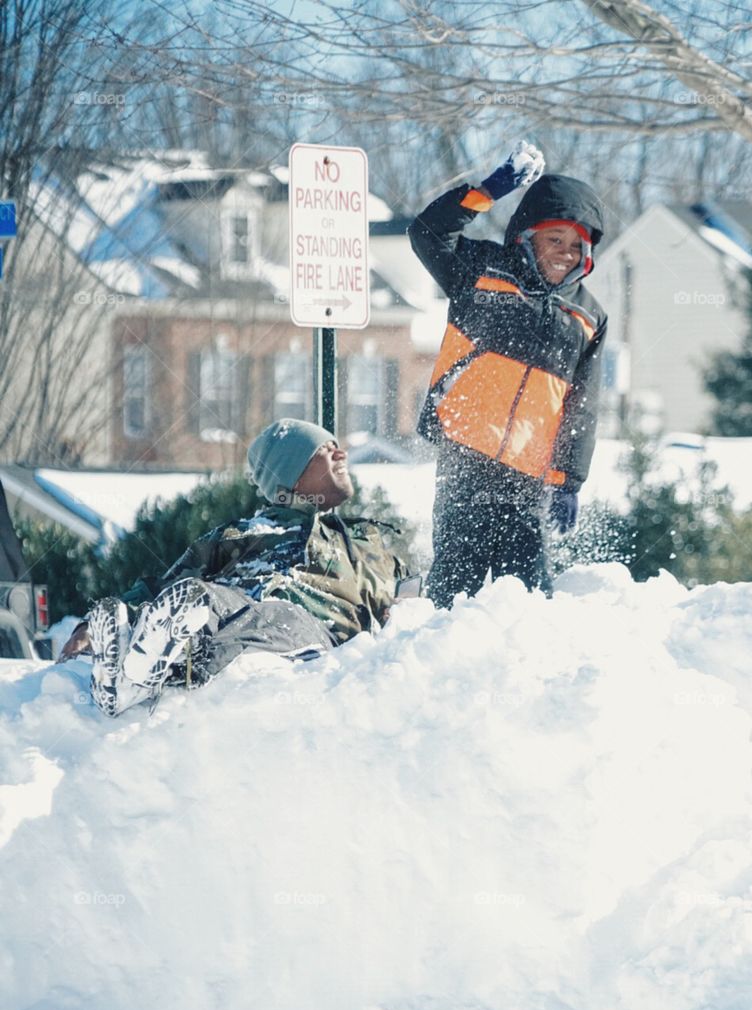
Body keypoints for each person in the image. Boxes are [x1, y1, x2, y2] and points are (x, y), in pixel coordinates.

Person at [59, 420, 411, 716]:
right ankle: (129, 660)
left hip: (311, 635)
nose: (341, 453)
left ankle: (151, 673)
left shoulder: (368, 545)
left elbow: (416, 608)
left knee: (271, 615)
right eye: (325, 449)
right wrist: (90, 627)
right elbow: (162, 587)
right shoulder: (238, 535)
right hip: (236, 616)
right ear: (291, 472)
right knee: (198, 599)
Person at [409, 140, 608, 608]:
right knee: (454, 595)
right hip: (465, 460)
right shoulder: (481, 270)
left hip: (528, 479)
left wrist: (569, 478)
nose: (564, 252)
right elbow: (427, 233)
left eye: (575, 245)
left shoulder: (587, 317)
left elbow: (584, 404)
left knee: (529, 604)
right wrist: (487, 191)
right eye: (554, 239)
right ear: (526, 235)